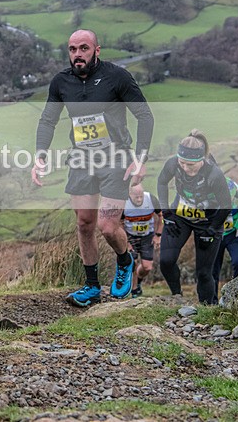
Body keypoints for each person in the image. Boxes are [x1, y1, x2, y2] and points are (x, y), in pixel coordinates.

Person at [32, 29, 154, 307]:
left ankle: (125, 261)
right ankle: (91, 287)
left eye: (84, 48)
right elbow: (48, 120)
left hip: (116, 158)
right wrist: (40, 155)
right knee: (84, 224)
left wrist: (141, 158)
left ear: (97, 50)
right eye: (72, 49)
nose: (78, 54)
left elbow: (144, 115)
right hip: (81, 159)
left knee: (108, 226)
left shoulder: (117, 77)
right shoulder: (61, 82)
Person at [157, 130, 231, 305]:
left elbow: (226, 205)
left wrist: (212, 229)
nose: (185, 168)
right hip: (180, 216)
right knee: (166, 262)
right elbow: (161, 182)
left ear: (202, 160)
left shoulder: (214, 174)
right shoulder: (173, 164)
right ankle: (177, 296)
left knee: (204, 272)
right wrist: (166, 211)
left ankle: (207, 309)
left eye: (191, 165)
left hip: (209, 221)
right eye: (182, 163)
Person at [122, 183, 163, 297]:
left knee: (147, 266)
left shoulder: (150, 199)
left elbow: (161, 216)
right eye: (136, 197)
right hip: (131, 236)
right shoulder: (124, 203)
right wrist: (126, 242)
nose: (139, 199)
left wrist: (158, 235)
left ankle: (138, 281)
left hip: (147, 236)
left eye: (141, 196)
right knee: (133, 263)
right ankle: (134, 291)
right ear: (130, 194)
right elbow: (119, 223)